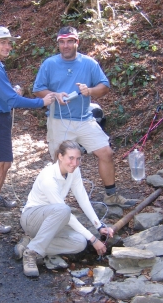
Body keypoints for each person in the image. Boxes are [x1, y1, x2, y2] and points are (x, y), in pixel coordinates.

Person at [33, 26, 137, 209]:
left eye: (69, 41)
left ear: (76, 42)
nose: (65, 46)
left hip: (84, 118)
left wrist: (89, 91)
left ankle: (111, 195)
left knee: (106, 152)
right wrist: (55, 94)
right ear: (58, 43)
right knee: (60, 162)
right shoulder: (49, 64)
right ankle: (55, 204)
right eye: (62, 42)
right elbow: (38, 89)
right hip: (59, 119)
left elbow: (104, 86)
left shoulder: (89, 63)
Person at [0, 26, 54, 235]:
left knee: (6, 164)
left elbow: (3, 93)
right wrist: (41, 102)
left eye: (9, 42)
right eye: (3, 42)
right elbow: (10, 100)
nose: (7, 46)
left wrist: (12, 92)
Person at [15, 140, 114, 277]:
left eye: (78, 159)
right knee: (64, 210)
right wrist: (93, 239)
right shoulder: (48, 178)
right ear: (60, 157)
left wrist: (98, 226)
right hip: (32, 219)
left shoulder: (74, 171)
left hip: (53, 220)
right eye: (71, 158)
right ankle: (31, 253)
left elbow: (83, 199)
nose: (74, 163)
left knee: (79, 243)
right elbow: (65, 213)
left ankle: (30, 243)